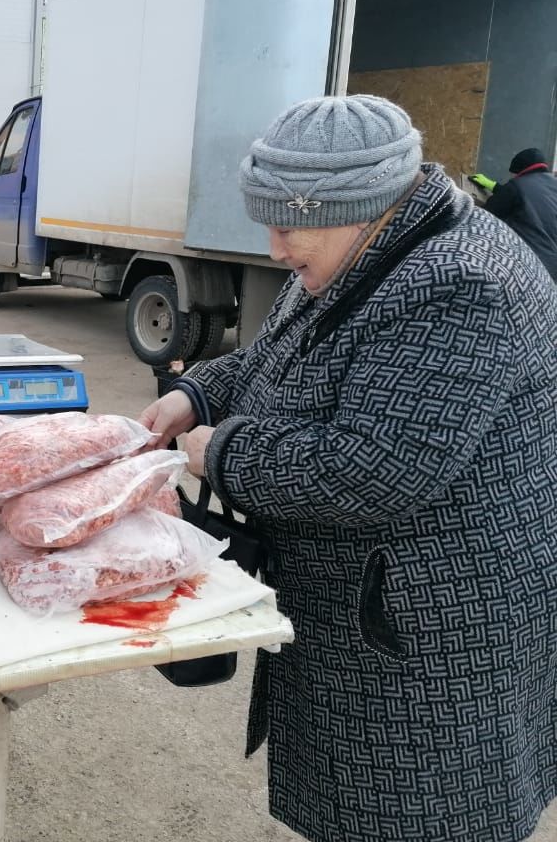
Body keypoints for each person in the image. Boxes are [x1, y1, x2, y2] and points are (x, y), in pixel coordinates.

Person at [139, 95, 557, 842]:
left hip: (436, 631)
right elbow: (275, 360)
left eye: (285, 225)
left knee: (425, 816)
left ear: (357, 206)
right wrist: (193, 396)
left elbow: (369, 469)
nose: (274, 249)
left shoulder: (461, 284)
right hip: (377, 603)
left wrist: (219, 452)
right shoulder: (366, 250)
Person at [469, 148, 557, 281]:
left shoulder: (516, 186)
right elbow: (533, 198)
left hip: (529, 265)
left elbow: (484, 216)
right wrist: (494, 186)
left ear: (519, 171)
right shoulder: (552, 185)